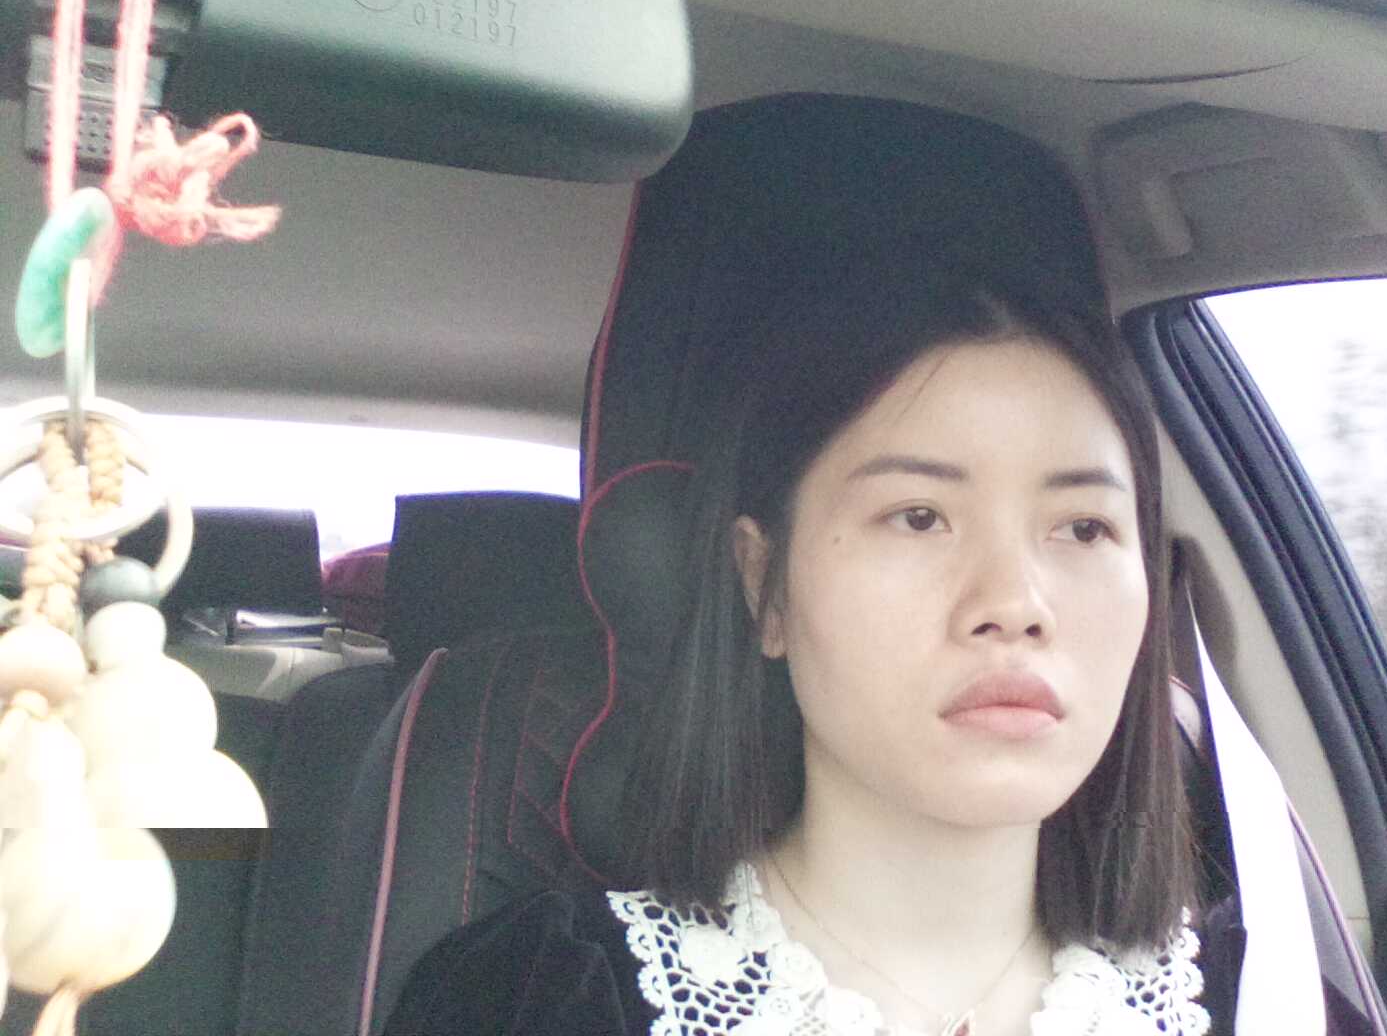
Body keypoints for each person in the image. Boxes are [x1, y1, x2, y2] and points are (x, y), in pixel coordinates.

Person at [384, 271, 1215, 1036]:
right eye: (919, 517)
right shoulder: (534, 999)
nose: (1015, 604)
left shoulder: (1251, 990)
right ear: (765, 586)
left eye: (1084, 528)